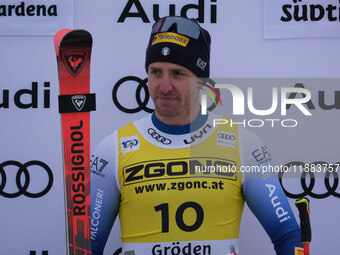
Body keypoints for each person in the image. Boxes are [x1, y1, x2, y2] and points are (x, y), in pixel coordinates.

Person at [90, 16, 303, 255]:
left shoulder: (243, 144)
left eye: (178, 74)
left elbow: (287, 234)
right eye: (156, 72)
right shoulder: (113, 149)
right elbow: (88, 245)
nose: (165, 86)